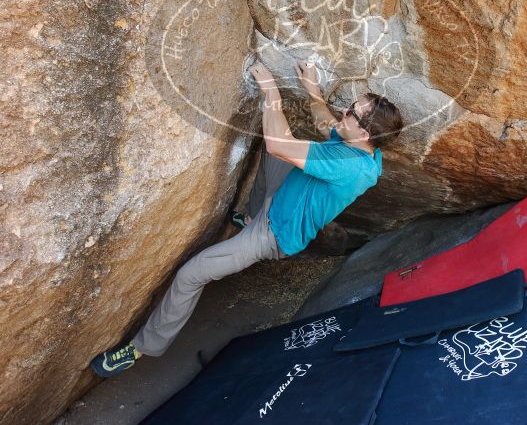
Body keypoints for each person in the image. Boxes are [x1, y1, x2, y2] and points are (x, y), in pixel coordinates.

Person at [90, 59, 404, 377]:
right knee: (277, 152)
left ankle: (142, 347)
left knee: (192, 274)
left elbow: (279, 144)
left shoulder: (349, 166)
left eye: (351, 112)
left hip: (275, 232)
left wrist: (272, 95)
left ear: (364, 132)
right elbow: (327, 126)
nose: (344, 112)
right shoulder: (364, 149)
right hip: (287, 196)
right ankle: (250, 216)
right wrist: (314, 93)